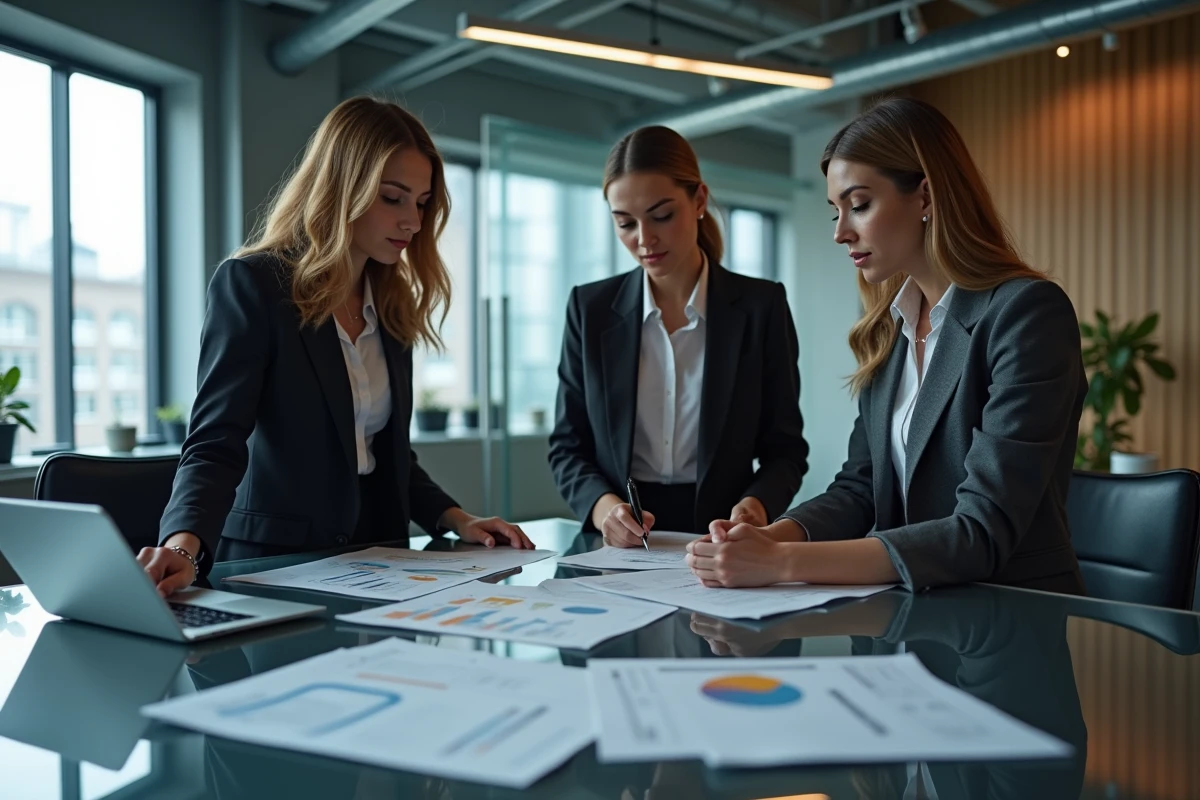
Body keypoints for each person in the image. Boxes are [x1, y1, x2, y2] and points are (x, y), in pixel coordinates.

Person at [687, 97, 1086, 595]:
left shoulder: (1026, 314)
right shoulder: (889, 326)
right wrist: (767, 537)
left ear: (925, 196)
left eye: (859, 205)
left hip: (1008, 617)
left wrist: (782, 561)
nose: (839, 232)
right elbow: (860, 488)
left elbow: (981, 531)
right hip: (906, 619)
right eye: (836, 210)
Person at [141, 97, 533, 597]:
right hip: (275, 565)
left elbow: (384, 454)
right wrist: (180, 548)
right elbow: (215, 442)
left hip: (380, 559)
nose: (413, 221)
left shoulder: (392, 306)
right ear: (343, 188)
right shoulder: (254, 285)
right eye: (393, 198)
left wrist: (457, 519)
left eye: (421, 201)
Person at [548, 125, 808, 546]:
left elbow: (785, 449)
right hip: (621, 541)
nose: (644, 239)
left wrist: (756, 505)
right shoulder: (589, 309)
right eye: (625, 223)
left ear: (700, 200)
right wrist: (603, 509)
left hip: (722, 536)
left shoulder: (762, 307)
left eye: (662, 215)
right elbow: (567, 445)